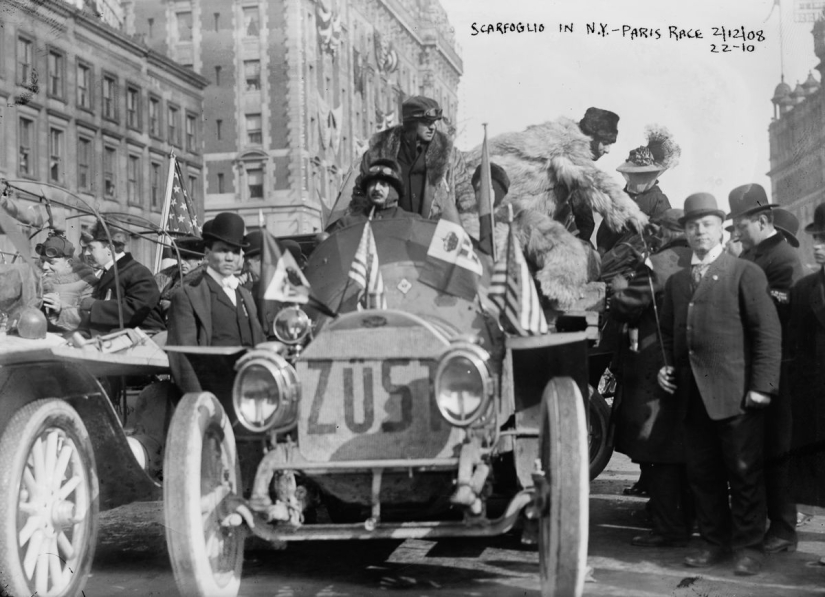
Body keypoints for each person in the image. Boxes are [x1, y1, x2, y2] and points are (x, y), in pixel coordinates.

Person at [658, 193, 781, 576]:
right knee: (703, 474)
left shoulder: (744, 272)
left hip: (737, 395)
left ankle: (748, 547)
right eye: (692, 226)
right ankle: (714, 542)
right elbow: (668, 335)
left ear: (720, 229)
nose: (699, 231)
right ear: (686, 233)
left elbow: (767, 333)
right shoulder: (678, 282)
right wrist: (665, 369)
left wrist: (762, 385)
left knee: (744, 473)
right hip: (693, 398)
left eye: (707, 224)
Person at [610, 209, 694, 548]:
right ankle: (686, 519)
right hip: (687, 366)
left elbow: (625, 306)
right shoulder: (699, 261)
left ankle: (667, 527)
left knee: (657, 448)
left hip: (654, 369)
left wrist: (618, 289)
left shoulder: (658, 264)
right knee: (685, 448)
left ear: (665, 233)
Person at [729, 183, 805, 554]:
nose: (736, 232)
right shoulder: (756, 254)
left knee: (777, 448)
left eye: (740, 225)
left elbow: (776, 315)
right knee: (756, 448)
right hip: (756, 363)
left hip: (779, 367)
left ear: (761, 220)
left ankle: (784, 528)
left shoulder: (783, 258)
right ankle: (759, 523)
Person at [167, 212, 265, 394]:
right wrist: (200, 402)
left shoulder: (245, 295)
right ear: (207, 253)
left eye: (235, 252)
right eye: (222, 250)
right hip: (212, 395)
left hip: (250, 394)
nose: (230, 257)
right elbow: (182, 359)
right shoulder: (188, 296)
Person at [350, 96, 475, 227]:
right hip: (389, 235)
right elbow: (359, 197)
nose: (432, 127)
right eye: (426, 122)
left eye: (434, 122)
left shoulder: (450, 156)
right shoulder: (377, 154)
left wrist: (468, 236)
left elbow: (467, 199)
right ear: (411, 123)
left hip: (436, 238)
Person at [597, 125, 678, 255]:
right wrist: (601, 250)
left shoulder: (658, 200)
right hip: (610, 254)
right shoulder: (622, 195)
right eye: (635, 174)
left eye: (642, 175)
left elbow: (663, 235)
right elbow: (605, 230)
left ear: (652, 175)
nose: (638, 179)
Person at [78, 222, 165, 336]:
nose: (87, 253)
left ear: (110, 248)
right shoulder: (111, 272)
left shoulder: (138, 272)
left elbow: (137, 309)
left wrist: (94, 305)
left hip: (143, 335)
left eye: (91, 248)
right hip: (117, 334)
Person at [565, 107, 621, 242]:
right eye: (606, 143)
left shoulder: (573, 157)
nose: (607, 150)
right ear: (591, 138)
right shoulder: (571, 164)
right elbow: (583, 221)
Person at [328, 159, 421, 232]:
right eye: (372, 184)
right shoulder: (348, 223)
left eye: (383, 184)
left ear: (394, 189)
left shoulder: (412, 222)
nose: (376, 188)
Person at [36, 234, 98, 333]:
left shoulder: (87, 282)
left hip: (69, 339)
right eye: (42, 261)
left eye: (51, 262)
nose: (44, 266)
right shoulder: (35, 279)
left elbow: (88, 319)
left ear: (68, 262)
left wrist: (61, 307)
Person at [154, 236, 204, 319]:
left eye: (186, 258)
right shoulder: (165, 276)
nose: (181, 262)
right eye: (179, 257)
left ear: (200, 260)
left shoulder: (202, 282)